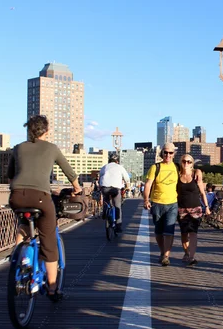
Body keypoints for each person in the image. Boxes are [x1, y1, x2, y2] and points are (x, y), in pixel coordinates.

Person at [7, 115, 82, 301]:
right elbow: (69, 171)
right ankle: (52, 288)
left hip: (17, 195)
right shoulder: (52, 148)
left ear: (29, 130)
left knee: (24, 225)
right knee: (48, 242)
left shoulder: (18, 148)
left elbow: (10, 175)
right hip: (40, 197)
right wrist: (77, 188)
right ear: (46, 131)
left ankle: (16, 259)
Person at [143, 143, 179, 266]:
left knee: (169, 230)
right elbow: (148, 184)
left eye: (170, 153)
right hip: (157, 203)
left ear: (174, 154)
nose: (168, 155)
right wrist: (146, 200)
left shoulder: (177, 167)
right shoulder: (155, 167)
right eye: (165, 152)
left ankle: (166, 256)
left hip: (172, 203)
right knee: (159, 231)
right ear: (162, 153)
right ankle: (162, 251)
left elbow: (187, 176)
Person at [177, 154, 210, 266]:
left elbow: (202, 193)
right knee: (184, 234)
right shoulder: (177, 174)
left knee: (193, 232)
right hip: (182, 209)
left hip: (195, 208)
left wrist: (207, 207)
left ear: (192, 163)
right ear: (181, 162)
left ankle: (192, 256)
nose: (186, 163)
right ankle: (186, 253)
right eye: (184, 161)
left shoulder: (196, 174)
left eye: (189, 162)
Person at [99, 154, 131, 233]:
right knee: (117, 206)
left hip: (105, 188)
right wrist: (128, 187)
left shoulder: (104, 167)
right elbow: (127, 178)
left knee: (106, 201)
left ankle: (104, 212)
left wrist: (100, 187)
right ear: (117, 161)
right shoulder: (120, 167)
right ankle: (118, 226)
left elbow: (100, 177)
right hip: (115, 189)